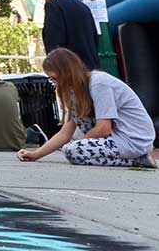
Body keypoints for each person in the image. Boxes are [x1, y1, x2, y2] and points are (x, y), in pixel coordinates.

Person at [18, 48, 156, 167]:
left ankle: (138, 160)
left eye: (55, 78)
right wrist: (35, 154)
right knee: (72, 149)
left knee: (72, 151)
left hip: (132, 138)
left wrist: (77, 143)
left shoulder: (99, 83)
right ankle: (138, 159)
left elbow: (103, 128)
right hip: (117, 137)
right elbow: (65, 133)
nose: (55, 83)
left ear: (67, 72)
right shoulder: (75, 91)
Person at [41, 0, 100, 70]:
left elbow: (54, 36)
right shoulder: (82, 6)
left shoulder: (52, 4)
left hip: (70, 65)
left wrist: (55, 63)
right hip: (90, 63)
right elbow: (94, 35)